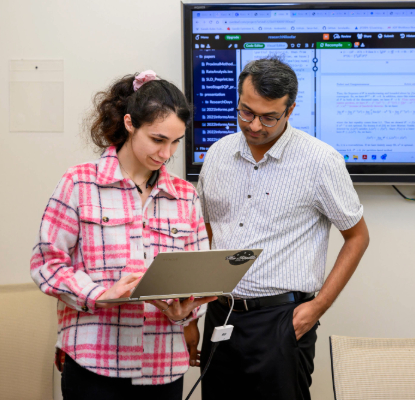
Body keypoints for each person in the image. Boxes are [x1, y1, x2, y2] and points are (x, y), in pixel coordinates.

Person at [30, 70, 215, 400]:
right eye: (158, 139)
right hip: (93, 364)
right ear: (130, 123)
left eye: (175, 141)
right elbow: (47, 264)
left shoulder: (185, 195)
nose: (167, 153)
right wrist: (99, 294)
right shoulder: (80, 183)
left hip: (163, 366)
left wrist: (184, 312)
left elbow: (194, 276)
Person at [195, 57, 370, 400]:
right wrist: (193, 314)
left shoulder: (320, 161)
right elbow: (206, 230)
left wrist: (316, 308)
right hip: (221, 313)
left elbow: (357, 236)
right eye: (246, 112)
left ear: (290, 111)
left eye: (269, 117)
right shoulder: (217, 154)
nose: (255, 125)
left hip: (281, 319)